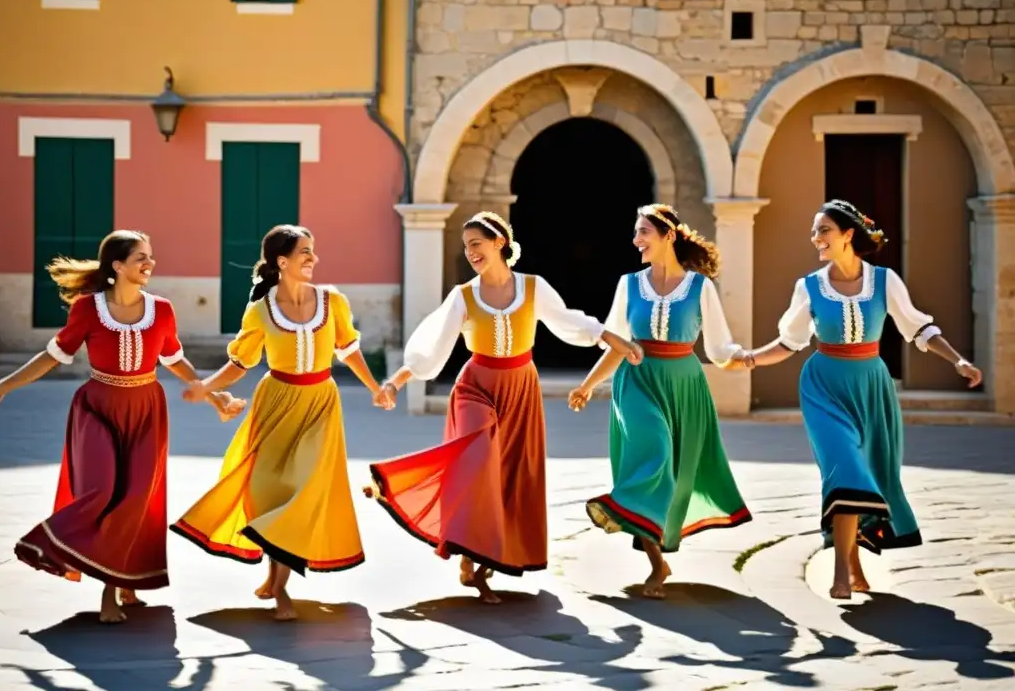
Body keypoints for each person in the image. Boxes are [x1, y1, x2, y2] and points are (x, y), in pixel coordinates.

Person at [365, 211, 643, 604]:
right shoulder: (463, 295)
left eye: (476, 244)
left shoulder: (533, 287)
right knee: (477, 461)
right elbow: (432, 346)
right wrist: (396, 381)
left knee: (511, 478)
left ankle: (479, 563)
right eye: (466, 247)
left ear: (499, 242)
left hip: (520, 389)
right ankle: (420, 502)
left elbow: (570, 322)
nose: (471, 253)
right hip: (476, 387)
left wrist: (616, 340)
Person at [0, 230, 244, 624]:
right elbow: (51, 356)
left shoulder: (161, 310)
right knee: (103, 492)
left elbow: (175, 360)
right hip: (97, 408)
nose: (150, 264)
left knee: (137, 498)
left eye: (151, 256)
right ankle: (94, 579)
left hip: (146, 410)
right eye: (141, 257)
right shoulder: (88, 310)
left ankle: (124, 581)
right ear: (117, 265)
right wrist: (3, 386)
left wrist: (216, 396)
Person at [737, 199, 983, 599]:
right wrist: (749, 359)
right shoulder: (809, 286)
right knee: (845, 470)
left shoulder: (885, 282)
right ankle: (839, 574)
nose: (815, 238)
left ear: (848, 234)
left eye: (823, 230)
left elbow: (918, 328)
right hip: (823, 387)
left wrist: (958, 360)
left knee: (869, 473)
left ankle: (854, 565)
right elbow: (790, 341)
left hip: (871, 385)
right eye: (815, 231)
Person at [173, 224, 384, 621]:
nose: (313, 258)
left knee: (302, 488)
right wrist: (206, 387)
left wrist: (375, 388)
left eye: (313, 250)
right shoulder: (260, 309)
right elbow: (240, 363)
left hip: (321, 403)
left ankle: (282, 588)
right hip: (275, 403)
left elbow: (349, 349)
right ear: (281, 261)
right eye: (305, 251)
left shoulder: (333, 301)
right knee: (270, 491)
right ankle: (274, 576)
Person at [567, 204, 753, 599]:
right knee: (654, 453)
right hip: (637, 383)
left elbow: (719, 347)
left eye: (643, 232)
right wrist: (588, 385)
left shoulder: (701, 288)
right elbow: (617, 343)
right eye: (636, 233)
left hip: (685, 386)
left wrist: (746, 357)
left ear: (668, 235)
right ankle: (634, 531)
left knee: (675, 477)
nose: (636, 241)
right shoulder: (628, 284)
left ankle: (658, 561)